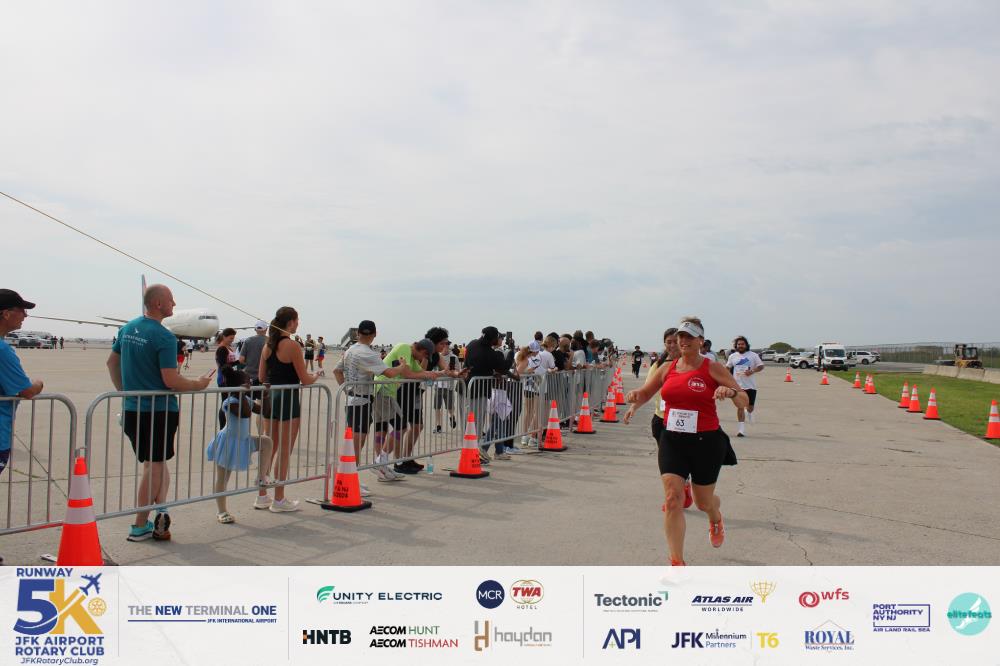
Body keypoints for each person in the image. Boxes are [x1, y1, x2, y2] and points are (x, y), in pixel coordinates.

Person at [625, 317, 748, 566]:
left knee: (703, 502)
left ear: (701, 341)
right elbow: (647, 392)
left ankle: (715, 517)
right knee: (673, 500)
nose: (683, 340)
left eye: (689, 336)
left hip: (706, 442)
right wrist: (636, 398)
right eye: (681, 336)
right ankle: (677, 564)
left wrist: (732, 392)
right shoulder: (667, 368)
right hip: (672, 439)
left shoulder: (713, 368)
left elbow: (744, 399)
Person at [107, 284, 213, 542]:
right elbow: (170, 380)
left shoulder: (127, 328)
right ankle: (139, 525)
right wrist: (197, 384)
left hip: (133, 409)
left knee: (154, 463)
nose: (174, 304)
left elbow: (112, 362)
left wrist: (125, 392)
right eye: (171, 300)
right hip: (158, 411)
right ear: (158, 304)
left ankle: (161, 510)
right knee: (154, 466)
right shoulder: (165, 337)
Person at [257, 306, 323, 512]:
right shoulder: (292, 345)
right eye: (297, 320)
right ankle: (278, 499)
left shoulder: (267, 346)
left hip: (271, 398)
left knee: (270, 448)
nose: (298, 324)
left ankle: (262, 495)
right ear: (290, 322)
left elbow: (261, 377)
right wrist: (316, 375)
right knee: (284, 450)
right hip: (287, 399)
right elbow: (305, 379)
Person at [333, 320, 411, 482]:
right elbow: (389, 373)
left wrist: (347, 390)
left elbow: (336, 371)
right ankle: (350, 481)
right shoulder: (368, 353)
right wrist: (402, 367)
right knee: (357, 444)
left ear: (358, 333)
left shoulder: (350, 350)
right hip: (361, 401)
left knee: (355, 443)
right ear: (375, 334)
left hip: (353, 399)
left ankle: (351, 479)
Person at [624, 328, 693, 509]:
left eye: (675, 341)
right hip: (661, 420)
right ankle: (673, 495)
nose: (672, 345)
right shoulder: (658, 366)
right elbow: (646, 392)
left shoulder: (690, 365)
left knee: (680, 461)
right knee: (667, 463)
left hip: (684, 421)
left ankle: (682, 486)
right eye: (668, 342)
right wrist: (633, 407)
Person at [206, 367, 274, 524]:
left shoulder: (246, 399)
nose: (250, 384)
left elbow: (266, 412)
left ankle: (261, 477)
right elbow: (245, 414)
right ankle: (222, 511)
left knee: (266, 442)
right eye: (247, 382)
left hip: (243, 440)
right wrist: (242, 394)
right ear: (238, 385)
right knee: (223, 478)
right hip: (228, 442)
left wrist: (265, 394)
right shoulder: (229, 402)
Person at [725, 336, 764, 437]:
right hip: (737, 386)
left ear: (746, 345)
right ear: (736, 346)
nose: (740, 346)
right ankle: (741, 430)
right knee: (740, 407)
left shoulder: (753, 355)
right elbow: (727, 368)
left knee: (750, 407)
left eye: (742, 344)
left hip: (750, 386)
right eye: (739, 344)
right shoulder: (732, 356)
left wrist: (752, 371)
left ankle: (749, 412)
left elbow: (761, 366)